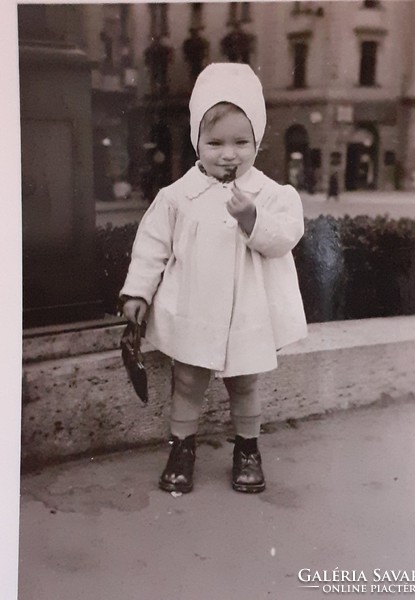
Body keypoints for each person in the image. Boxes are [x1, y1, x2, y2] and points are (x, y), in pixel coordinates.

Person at [120, 63, 307, 495]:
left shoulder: (271, 195)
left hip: (247, 313)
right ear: (196, 142)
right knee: (187, 380)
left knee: (245, 382)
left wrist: (252, 218)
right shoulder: (177, 196)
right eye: (215, 142)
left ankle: (248, 448)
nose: (229, 154)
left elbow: (283, 238)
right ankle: (182, 447)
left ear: (257, 140)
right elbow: (153, 246)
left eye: (242, 142)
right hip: (193, 308)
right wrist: (137, 291)